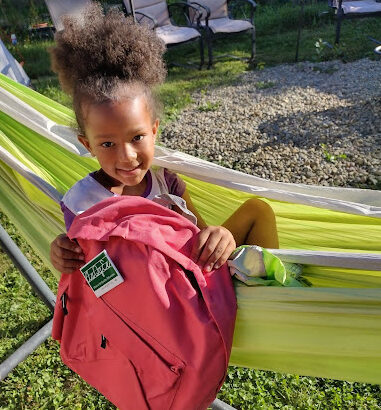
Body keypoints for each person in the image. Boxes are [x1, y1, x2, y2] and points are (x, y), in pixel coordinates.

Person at [49, 3, 279, 275]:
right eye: (107, 144)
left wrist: (221, 237)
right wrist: (61, 254)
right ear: (88, 145)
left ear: (154, 130)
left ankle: (270, 293)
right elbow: (88, 271)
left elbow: (200, 237)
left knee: (258, 209)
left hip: (196, 281)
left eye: (137, 137)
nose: (127, 156)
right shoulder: (83, 203)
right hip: (150, 300)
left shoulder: (166, 183)